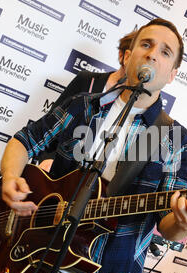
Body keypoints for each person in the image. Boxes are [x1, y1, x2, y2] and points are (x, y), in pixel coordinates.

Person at [0, 18, 187, 273]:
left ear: (172, 74)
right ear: (128, 54)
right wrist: (11, 177)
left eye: (165, 52)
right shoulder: (83, 107)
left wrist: (185, 222)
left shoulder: (176, 140)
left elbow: (168, 226)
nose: (152, 54)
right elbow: (23, 141)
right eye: (146, 44)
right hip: (35, 256)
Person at [37, 30, 137, 172]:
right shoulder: (86, 80)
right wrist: (48, 159)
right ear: (123, 55)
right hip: (57, 170)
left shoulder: (137, 102)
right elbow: (49, 126)